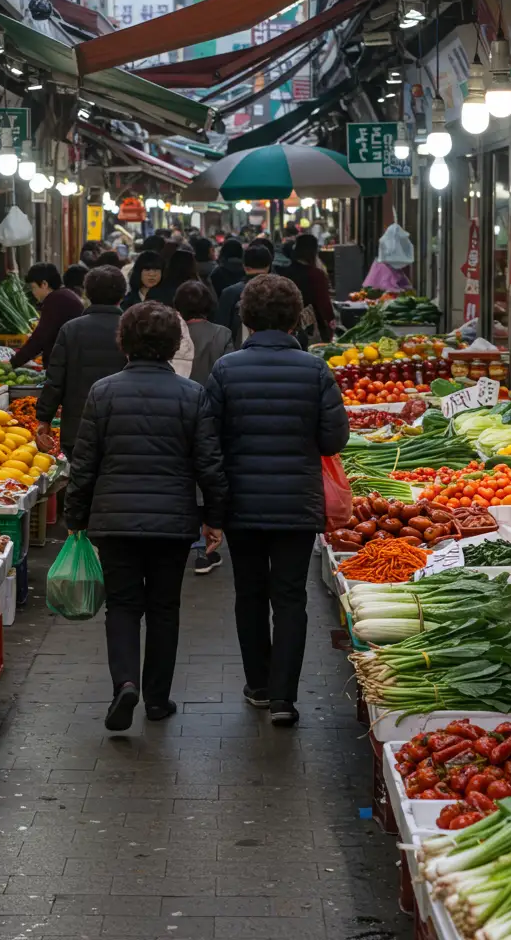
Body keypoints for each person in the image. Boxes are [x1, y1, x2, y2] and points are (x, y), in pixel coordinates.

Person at [64, 301, 228, 731]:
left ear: (124, 342)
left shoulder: (103, 392)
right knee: (164, 608)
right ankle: (157, 699)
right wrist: (214, 517)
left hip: (113, 519)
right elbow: (209, 464)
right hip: (173, 521)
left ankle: (125, 683)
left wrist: (75, 517)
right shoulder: (193, 395)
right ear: (174, 345)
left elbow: (84, 464)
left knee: (121, 605)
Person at [205, 275, 348, 726]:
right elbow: (333, 438)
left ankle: (259, 686)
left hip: (241, 503)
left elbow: (208, 440)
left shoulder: (226, 369)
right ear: (294, 318)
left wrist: (210, 509)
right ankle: (285, 699)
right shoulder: (315, 369)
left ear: (245, 317)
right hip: (296, 503)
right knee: (290, 597)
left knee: (249, 594)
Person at [35, 266, 128, 462]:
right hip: (122, 425)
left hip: (78, 427)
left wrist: (44, 417)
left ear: (88, 294)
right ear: (122, 295)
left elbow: (55, 380)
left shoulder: (71, 329)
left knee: (80, 482)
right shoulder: (131, 328)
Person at [175, 280, 234, 576]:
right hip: (212, 414)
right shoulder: (222, 334)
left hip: (175, 412)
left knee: (183, 474)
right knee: (208, 477)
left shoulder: (173, 333)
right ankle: (203, 549)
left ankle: (185, 538)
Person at [9, 264, 84, 370]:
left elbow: (40, 337)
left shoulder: (56, 300)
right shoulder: (64, 295)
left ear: (44, 284)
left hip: (67, 366)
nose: (33, 293)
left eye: (34, 287)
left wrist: (14, 362)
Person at [213, 243, 273, 346]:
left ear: (244, 266)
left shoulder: (230, 293)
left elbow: (221, 330)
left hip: (238, 353)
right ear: (269, 265)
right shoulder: (280, 290)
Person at [281, 233, 335, 344]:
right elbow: (324, 304)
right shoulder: (316, 275)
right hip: (312, 329)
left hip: (287, 327)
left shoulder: (285, 273)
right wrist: (330, 322)